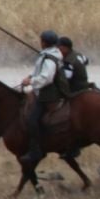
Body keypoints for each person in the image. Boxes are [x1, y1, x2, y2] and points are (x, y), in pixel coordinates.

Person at [18, 30, 66, 169]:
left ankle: (36, 151)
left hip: (49, 94)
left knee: (32, 120)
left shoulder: (49, 59)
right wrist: (30, 76)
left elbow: (47, 78)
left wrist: (31, 81)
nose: (40, 42)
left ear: (44, 42)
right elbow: (40, 72)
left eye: (41, 40)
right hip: (45, 90)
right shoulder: (49, 55)